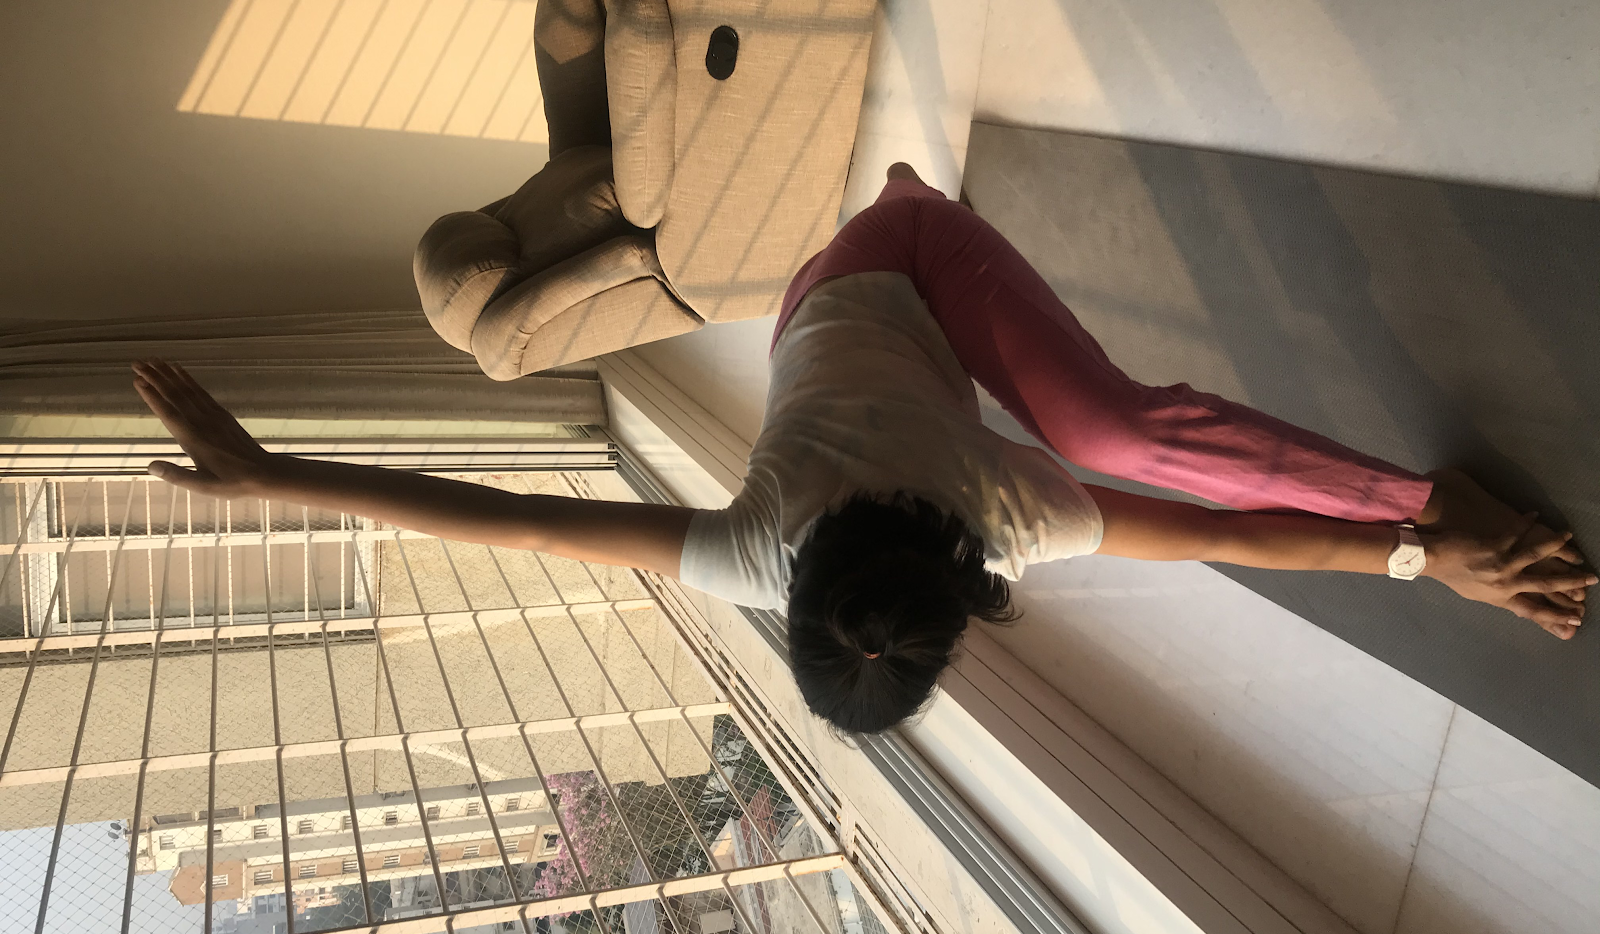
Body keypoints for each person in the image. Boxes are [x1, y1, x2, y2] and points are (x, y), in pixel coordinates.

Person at [131, 164, 1591, 737]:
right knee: (1105, 451)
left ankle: (1434, 489)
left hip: (884, 263)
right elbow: (1219, 532)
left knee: (1110, 427)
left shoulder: (849, 528)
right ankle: (1424, 515)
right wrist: (270, 478)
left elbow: (514, 517)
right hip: (842, 337)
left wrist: (1428, 536)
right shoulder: (967, 524)